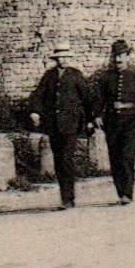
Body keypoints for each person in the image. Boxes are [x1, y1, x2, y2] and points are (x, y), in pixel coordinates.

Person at [29, 43, 93, 209]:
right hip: (53, 124)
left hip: (71, 124)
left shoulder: (76, 75)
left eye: (66, 57)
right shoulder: (49, 76)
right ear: (55, 59)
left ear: (70, 58)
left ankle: (69, 198)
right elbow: (38, 95)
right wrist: (35, 111)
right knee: (58, 161)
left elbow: (87, 99)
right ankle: (64, 197)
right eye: (60, 57)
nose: (63, 60)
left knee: (67, 159)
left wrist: (90, 119)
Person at [95, 39, 135, 205]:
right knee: (114, 157)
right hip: (111, 122)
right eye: (115, 56)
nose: (118, 60)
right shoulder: (106, 79)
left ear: (128, 57)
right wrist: (96, 115)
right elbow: (98, 99)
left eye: (122, 56)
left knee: (127, 157)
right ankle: (120, 192)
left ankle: (127, 193)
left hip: (130, 122)